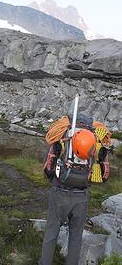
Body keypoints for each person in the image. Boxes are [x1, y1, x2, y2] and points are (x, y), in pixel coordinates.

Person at [39, 111, 111, 265]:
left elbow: (48, 169)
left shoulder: (62, 135)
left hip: (59, 193)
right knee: (76, 236)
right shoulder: (96, 139)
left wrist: (56, 179)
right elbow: (105, 176)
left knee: (51, 233)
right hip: (81, 197)